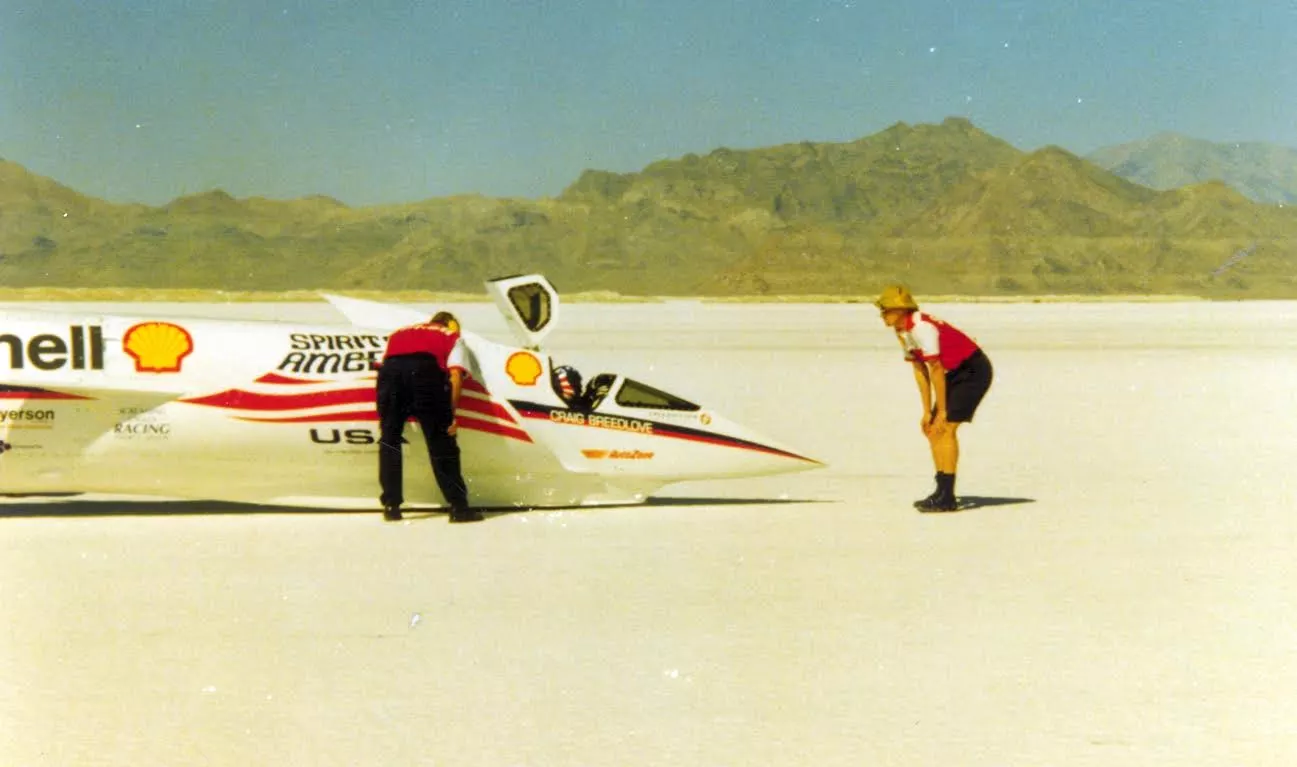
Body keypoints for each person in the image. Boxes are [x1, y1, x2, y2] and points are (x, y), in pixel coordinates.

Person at [876, 285, 993, 512]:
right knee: (933, 429)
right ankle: (940, 490)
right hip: (953, 373)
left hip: (972, 371)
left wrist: (942, 411)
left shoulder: (921, 327)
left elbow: (936, 369)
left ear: (901, 311)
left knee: (946, 427)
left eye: (886, 310)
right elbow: (919, 369)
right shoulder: (902, 331)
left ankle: (947, 497)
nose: (882, 315)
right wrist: (927, 412)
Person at [376, 311, 482, 523]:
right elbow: (455, 375)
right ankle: (459, 508)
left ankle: (391, 506)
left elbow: (385, 366)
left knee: (389, 440)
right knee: (442, 442)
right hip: (424, 374)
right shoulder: (452, 336)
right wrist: (451, 415)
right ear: (451, 324)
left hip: (390, 374)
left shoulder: (399, 332)